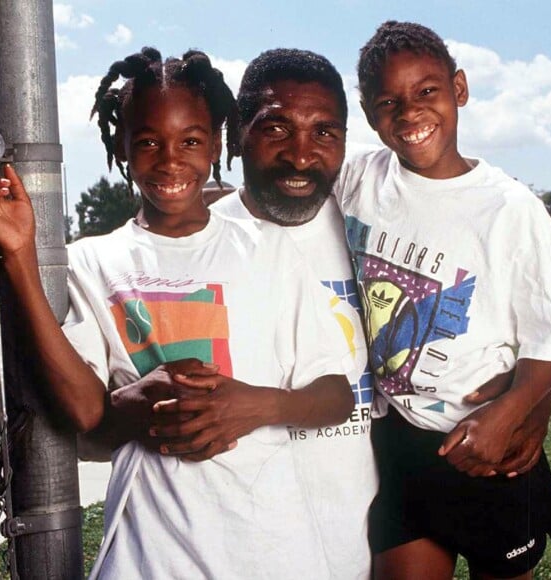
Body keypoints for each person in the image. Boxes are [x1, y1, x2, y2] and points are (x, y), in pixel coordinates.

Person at [0, 47, 355, 579]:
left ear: (215, 143)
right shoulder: (95, 262)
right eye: (148, 142)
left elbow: (336, 396)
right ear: (122, 146)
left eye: (190, 141)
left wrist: (256, 405)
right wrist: (21, 258)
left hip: (272, 549)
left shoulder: (272, 247)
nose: (170, 161)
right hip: (150, 554)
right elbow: (85, 412)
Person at [333, 21, 551, 580]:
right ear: (371, 116)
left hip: (486, 444)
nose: (410, 112)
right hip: (395, 441)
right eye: (388, 102)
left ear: (459, 88)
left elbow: (549, 344)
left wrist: (513, 414)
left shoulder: (511, 210)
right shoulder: (359, 180)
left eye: (427, 91)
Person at [212, 48, 378, 580]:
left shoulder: (367, 229)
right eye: (277, 129)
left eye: (325, 133)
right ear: (236, 133)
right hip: (238, 549)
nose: (302, 156)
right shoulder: (199, 242)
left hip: (361, 545)